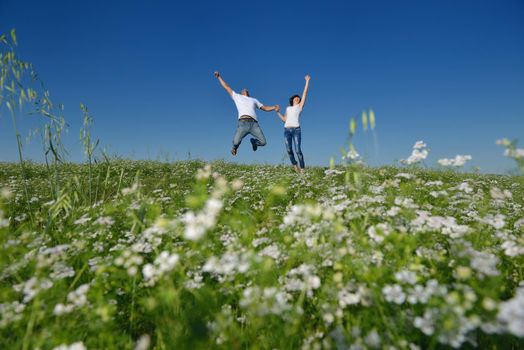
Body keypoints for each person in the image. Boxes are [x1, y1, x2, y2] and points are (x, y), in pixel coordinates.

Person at [214, 71, 279, 156]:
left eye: (246, 90)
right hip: (243, 123)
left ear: (248, 93)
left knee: (263, 142)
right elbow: (226, 87)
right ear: (241, 92)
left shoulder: (254, 100)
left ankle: (254, 142)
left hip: (254, 124)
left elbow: (265, 108)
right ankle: (235, 148)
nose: (245, 89)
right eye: (243, 90)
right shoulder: (237, 96)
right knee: (236, 142)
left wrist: (274, 107)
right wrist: (219, 77)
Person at [275, 74, 311, 172]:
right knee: (289, 150)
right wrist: (278, 112)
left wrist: (307, 81)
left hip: (296, 130)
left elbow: (305, 93)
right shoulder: (288, 108)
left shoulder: (300, 106)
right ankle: (295, 165)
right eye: (295, 97)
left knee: (298, 150)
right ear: (292, 99)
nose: (297, 98)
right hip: (287, 130)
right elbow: (284, 119)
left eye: (298, 98)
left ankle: (302, 170)